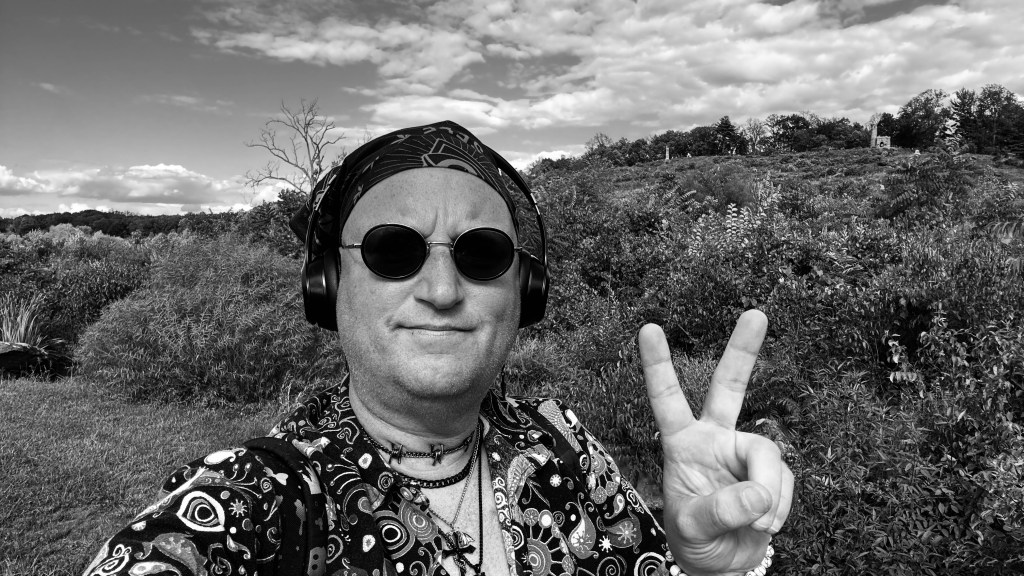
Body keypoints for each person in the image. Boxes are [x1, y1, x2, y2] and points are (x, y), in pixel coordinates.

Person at [84, 121, 793, 576]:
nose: (443, 289)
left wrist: (709, 570)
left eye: (483, 255)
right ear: (327, 285)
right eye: (395, 251)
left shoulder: (566, 449)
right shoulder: (247, 510)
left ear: (526, 293)